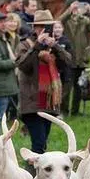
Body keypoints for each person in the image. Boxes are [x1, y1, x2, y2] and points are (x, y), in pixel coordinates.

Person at [14, 10, 72, 156]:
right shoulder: (25, 44)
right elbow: (23, 65)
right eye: (42, 26)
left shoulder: (54, 45)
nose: (45, 30)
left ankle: (36, 172)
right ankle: (32, 174)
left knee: (43, 144)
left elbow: (68, 62)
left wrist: (57, 47)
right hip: (31, 103)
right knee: (39, 144)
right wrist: (37, 46)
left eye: (48, 26)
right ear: (35, 28)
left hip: (49, 101)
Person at [58, 0, 90, 116]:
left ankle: (75, 111)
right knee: (67, 88)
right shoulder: (66, 21)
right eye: (73, 7)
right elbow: (59, 21)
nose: (76, 9)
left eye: (77, 7)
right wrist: (69, 10)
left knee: (79, 87)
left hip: (81, 60)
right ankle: (64, 110)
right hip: (69, 60)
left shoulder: (84, 20)